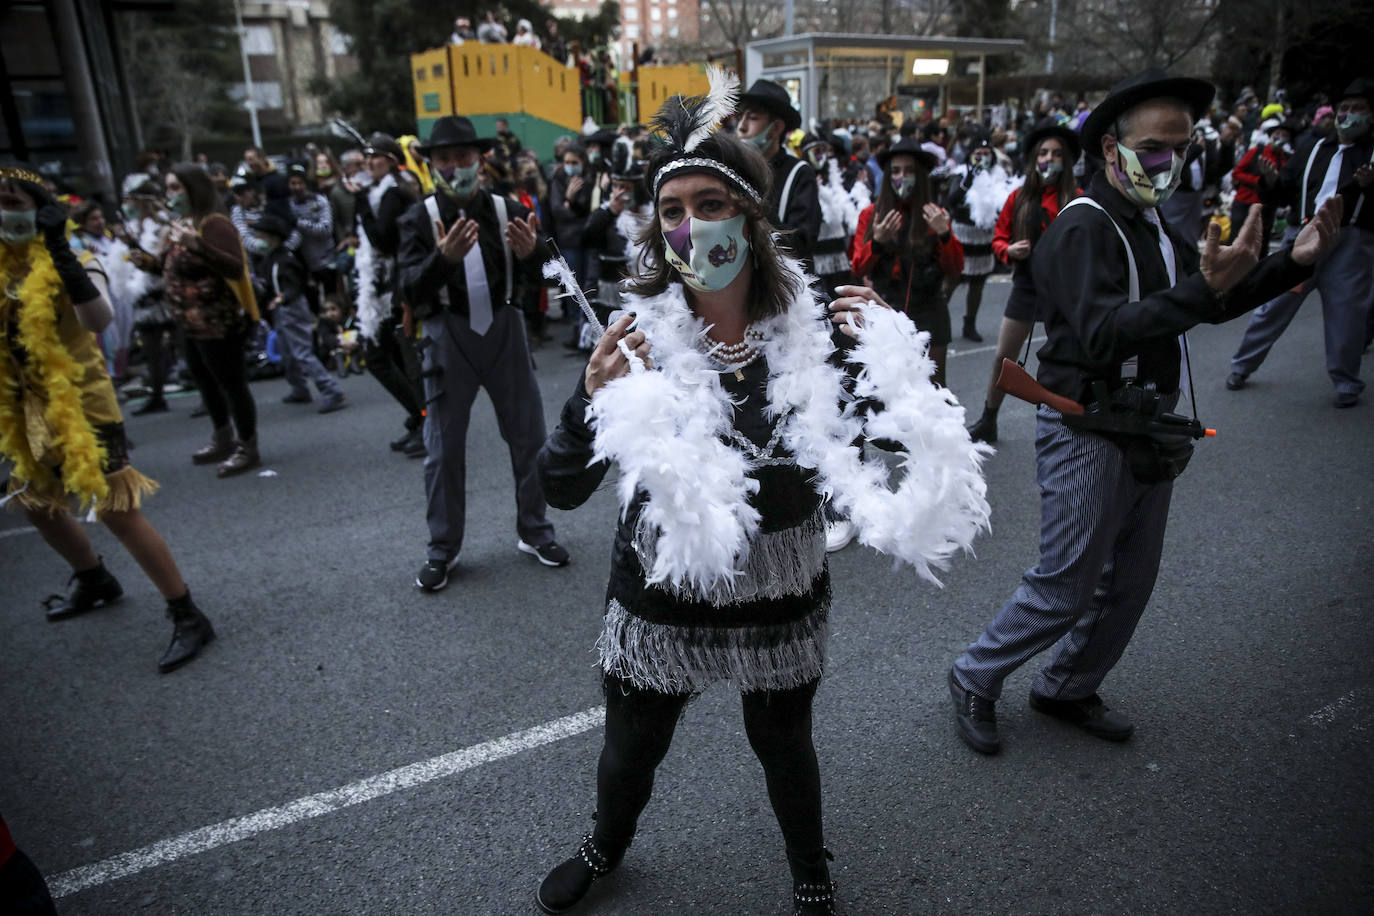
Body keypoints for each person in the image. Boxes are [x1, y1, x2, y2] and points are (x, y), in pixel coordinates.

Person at [533, 68, 990, 914]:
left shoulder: (818, 333)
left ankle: (810, 865)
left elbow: (911, 437)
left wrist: (893, 351)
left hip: (781, 587)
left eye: (710, 204)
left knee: (783, 743)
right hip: (664, 589)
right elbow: (558, 490)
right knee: (634, 744)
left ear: (749, 216)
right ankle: (604, 847)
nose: (690, 225)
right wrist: (588, 402)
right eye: (672, 210)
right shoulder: (636, 339)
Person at [947, 69, 1342, 756]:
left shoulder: (1154, 223)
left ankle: (1067, 685)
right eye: (1155, 147)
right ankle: (974, 673)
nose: (1170, 162)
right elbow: (1103, 335)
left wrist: (1291, 262)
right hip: (1086, 426)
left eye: (1182, 148)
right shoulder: (1083, 226)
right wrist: (1201, 291)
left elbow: (1208, 299)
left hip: (1147, 425)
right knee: (1067, 584)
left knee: (1129, 581)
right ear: (1111, 148)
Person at [0, 164, 216, 672]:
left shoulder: (77, 259)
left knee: (117, 509)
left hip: (83, 408)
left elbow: (98, 319)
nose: (5, 212)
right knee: (36, 503)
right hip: (25, 410)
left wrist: (59, 250)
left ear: (42, 210)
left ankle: (187, 614)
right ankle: (94, 578)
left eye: (14, 201)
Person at [396, 115, 570, 592]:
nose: (455, 167)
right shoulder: (416, 218)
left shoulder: (507, 209)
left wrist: (533, 255)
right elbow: (407, 288)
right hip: (446, 334)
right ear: (431, 164)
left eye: (463, 157)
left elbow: (552, 274)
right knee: (442, 447)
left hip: (504, 327)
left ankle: (535, 531)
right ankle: (442, 549)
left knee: (529, 436)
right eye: (445, 159)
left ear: (480, 159)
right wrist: (442, 261)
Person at [1225, 77, 1374, 406]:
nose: (1348, 114)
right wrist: (1271, 180)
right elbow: (1285, 191)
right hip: (1302, 238)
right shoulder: (1313, 147)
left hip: (1349, 245)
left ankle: (1346, 382)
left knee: (1347, 314)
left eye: (1358, 109)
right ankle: (1241, 366)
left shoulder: (1370, 155)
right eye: (1344, 108)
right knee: (1273, 305)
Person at [966, 123, 1081, 444]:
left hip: (1065, 290)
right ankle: (989, 418)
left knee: (1067, 358)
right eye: (1043, 153)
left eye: (1056, 154)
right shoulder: (1018, 198)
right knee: (1003, 356)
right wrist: (1009, 250)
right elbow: (998, 238)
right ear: (1034, 159)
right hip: (1027, 285)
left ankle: (1069, 423)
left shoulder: (1078, 199)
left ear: (1066, 160)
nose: (1049, 159)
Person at [156, 164, 263, 477]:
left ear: (194, 189)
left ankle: (247, 446)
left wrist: (199, 246)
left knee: (231, 383)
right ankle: (223, 437)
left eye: (176, 187)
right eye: (168, 187)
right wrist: (148, 260)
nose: (170, 194)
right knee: (203, 379)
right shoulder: (183, 223)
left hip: (218, 322)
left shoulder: (214, 224)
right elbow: (174, 267)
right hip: (190, 321)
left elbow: (235, 268)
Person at [849, 137, 964, 388]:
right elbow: (858, 266)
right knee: (887, 387)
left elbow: (955, 268)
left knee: (933, 387)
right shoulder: (871, 214)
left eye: (909, 171)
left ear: (920, 176)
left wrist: (944, 234)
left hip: (929, 311)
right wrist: (877, 242)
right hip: (885, 310)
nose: (902, 177)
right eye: (896, 171)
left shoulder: (934, 214)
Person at [351, 132, 426, 456]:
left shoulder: (394, 192)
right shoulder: (384, 190)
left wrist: (360, 205)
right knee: (392, 357)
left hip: (396, 288)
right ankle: (420, 417)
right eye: (366, 157)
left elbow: (382, 240)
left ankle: (424, 419)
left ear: (391, 161)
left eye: (375, 157)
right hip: (385, 286)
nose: (369, 163)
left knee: (387, 358)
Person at [249, 214, 346, 413]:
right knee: (286, 352)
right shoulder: (271, 259)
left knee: (301, 352)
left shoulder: (286, 259)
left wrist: (283, 297)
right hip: (281, 308)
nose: (258, 238)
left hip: (292, 307)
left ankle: (331, 389)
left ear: (273, 237)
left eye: (262, 235)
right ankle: (299, 387)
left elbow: (295, 283)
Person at [735, 79, 821, 268]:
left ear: (776, 128)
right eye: (740, 117)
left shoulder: (799, 173)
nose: (741, 127)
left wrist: (756, 212)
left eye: (753, 118)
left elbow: (801, 241)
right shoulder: (732, 170)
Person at [945, 130, 1019, 342]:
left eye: (986, 153)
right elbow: (952, 199)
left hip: (984, 236)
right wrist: (968, 179)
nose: (982, 157)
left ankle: (970, 324)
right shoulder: (962, 173)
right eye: (978, 153)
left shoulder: (999, 175)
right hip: (962, 234)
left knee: (977, 283)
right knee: (952, 280)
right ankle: (939, 320)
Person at [121, 179, 179, 415]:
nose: (127, 204)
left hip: (165, 294)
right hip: (142, 296)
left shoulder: (164, 226)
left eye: (131, 199)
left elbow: (159, 262)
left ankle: (210, 396)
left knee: (185, 346)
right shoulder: (131, 227)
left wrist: (134, 245)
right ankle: (156, 396)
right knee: (151, 350)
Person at [1229, 118, 1298, 257]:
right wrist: (1258, 181)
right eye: (1278, 133)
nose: (1280, 137)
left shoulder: (1287, 159)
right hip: (1245, 201)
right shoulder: (1256, 152)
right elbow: (1237, 173)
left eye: (1285, 135)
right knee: (1237, 238)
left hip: (1267, 207)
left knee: (1260, 242)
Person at [286, 163, 335, 311]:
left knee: (331, 298)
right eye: (293, 183)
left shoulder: (319, 201)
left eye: (300, 183)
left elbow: (325, 229)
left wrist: (299, 223)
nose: (297, 187)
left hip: (326, 259)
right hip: (305, 263)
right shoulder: (288, 205)